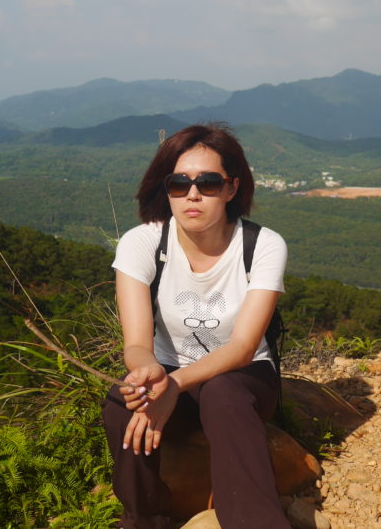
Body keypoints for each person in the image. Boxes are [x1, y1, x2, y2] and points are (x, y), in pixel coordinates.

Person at [101, 123, 291, 529]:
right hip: (169, 373)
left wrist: (175, 384)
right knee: (122, 405)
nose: (192, 194)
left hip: (243, 378)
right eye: (178, 183)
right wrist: (148, 373)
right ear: (165, 188)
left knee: (223, 394)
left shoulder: (262, 245)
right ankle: (145, 520)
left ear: (231, 188)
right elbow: (136, 344)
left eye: (208, 183)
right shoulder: (142, 242)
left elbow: (243, 347)